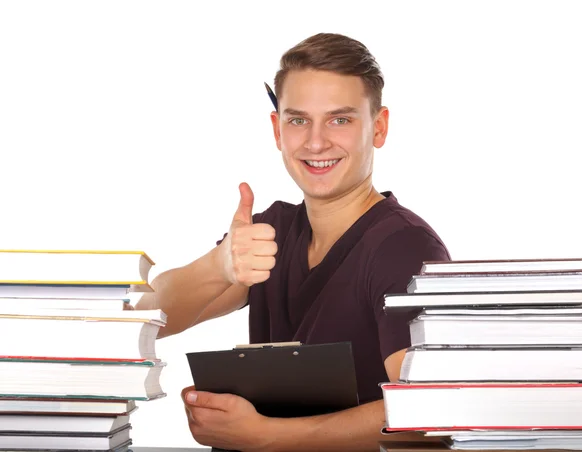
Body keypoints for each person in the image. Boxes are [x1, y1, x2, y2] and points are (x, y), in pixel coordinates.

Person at [135, 32, 451, 451]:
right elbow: (142, 320)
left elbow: (429, 411)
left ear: (379, 127)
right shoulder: (271, 232)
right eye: (298, 120)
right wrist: (217, 266)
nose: (316, 142)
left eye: (340, 119)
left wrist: (268, 437)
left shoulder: (403, 248)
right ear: (277, 129)